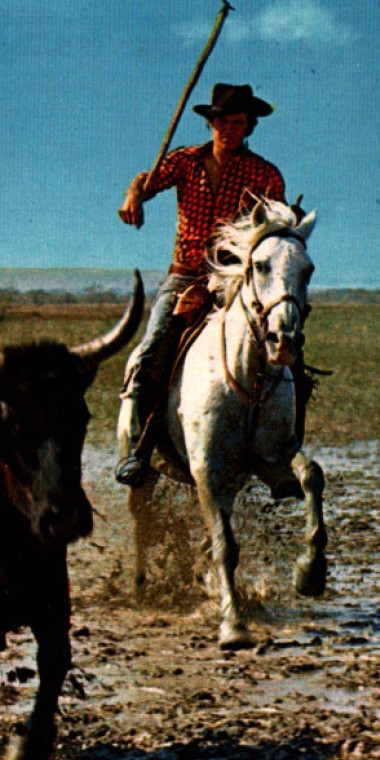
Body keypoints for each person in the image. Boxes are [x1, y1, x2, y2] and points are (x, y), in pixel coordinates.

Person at [115, 82, 288, 487]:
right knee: (153, 348)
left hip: (232, 278)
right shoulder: (185, 161)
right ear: (211, 123)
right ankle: (134, 449)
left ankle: (280, 446)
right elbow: (145, 180)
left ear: (249, 128)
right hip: (184, 276)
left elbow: (277, 226)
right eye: (223, 122)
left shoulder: (264, 173)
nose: (229, 130)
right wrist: (133, 199)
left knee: (284, 351)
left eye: (239, 123)